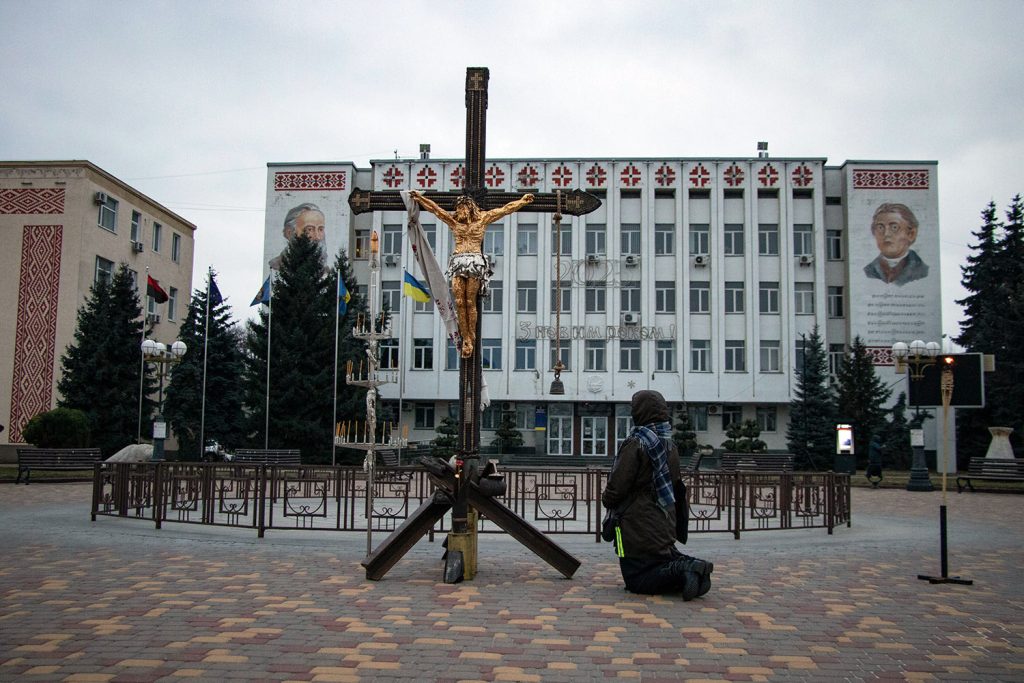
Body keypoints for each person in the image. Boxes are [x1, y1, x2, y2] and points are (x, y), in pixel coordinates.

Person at [602, 390, 714, 600]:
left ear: (640, 412)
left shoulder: (637, 442)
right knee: (657, 562)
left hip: (637, 522)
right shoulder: (669, 443)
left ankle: (685, 569)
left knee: (636, 579)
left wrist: (606, 499)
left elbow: (618, 485)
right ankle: (693, 570)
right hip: (664, 518)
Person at [409, 190, 534, 357]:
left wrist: (522, 201)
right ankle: (465, 335)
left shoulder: (483, 219)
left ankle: (470, 337)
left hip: (474, 262)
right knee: (459, 300)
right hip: (458, 261)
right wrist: (420, 198)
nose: (458, 211)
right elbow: (436, 210)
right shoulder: (454, 222)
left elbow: (505, 209)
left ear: (469, 207)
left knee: (469, 300)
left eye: (461, 208)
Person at [863, 203, 928, 286]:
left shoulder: (923, 272)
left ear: (911, 234)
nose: (886, 234)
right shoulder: (868, 271)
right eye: (880, 227)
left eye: (894, 227)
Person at [269, 203, 326, 269]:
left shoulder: (324, 270)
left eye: (321, 229)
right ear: (289, 233)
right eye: (309, 229)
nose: (317, 237)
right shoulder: (277, 265)